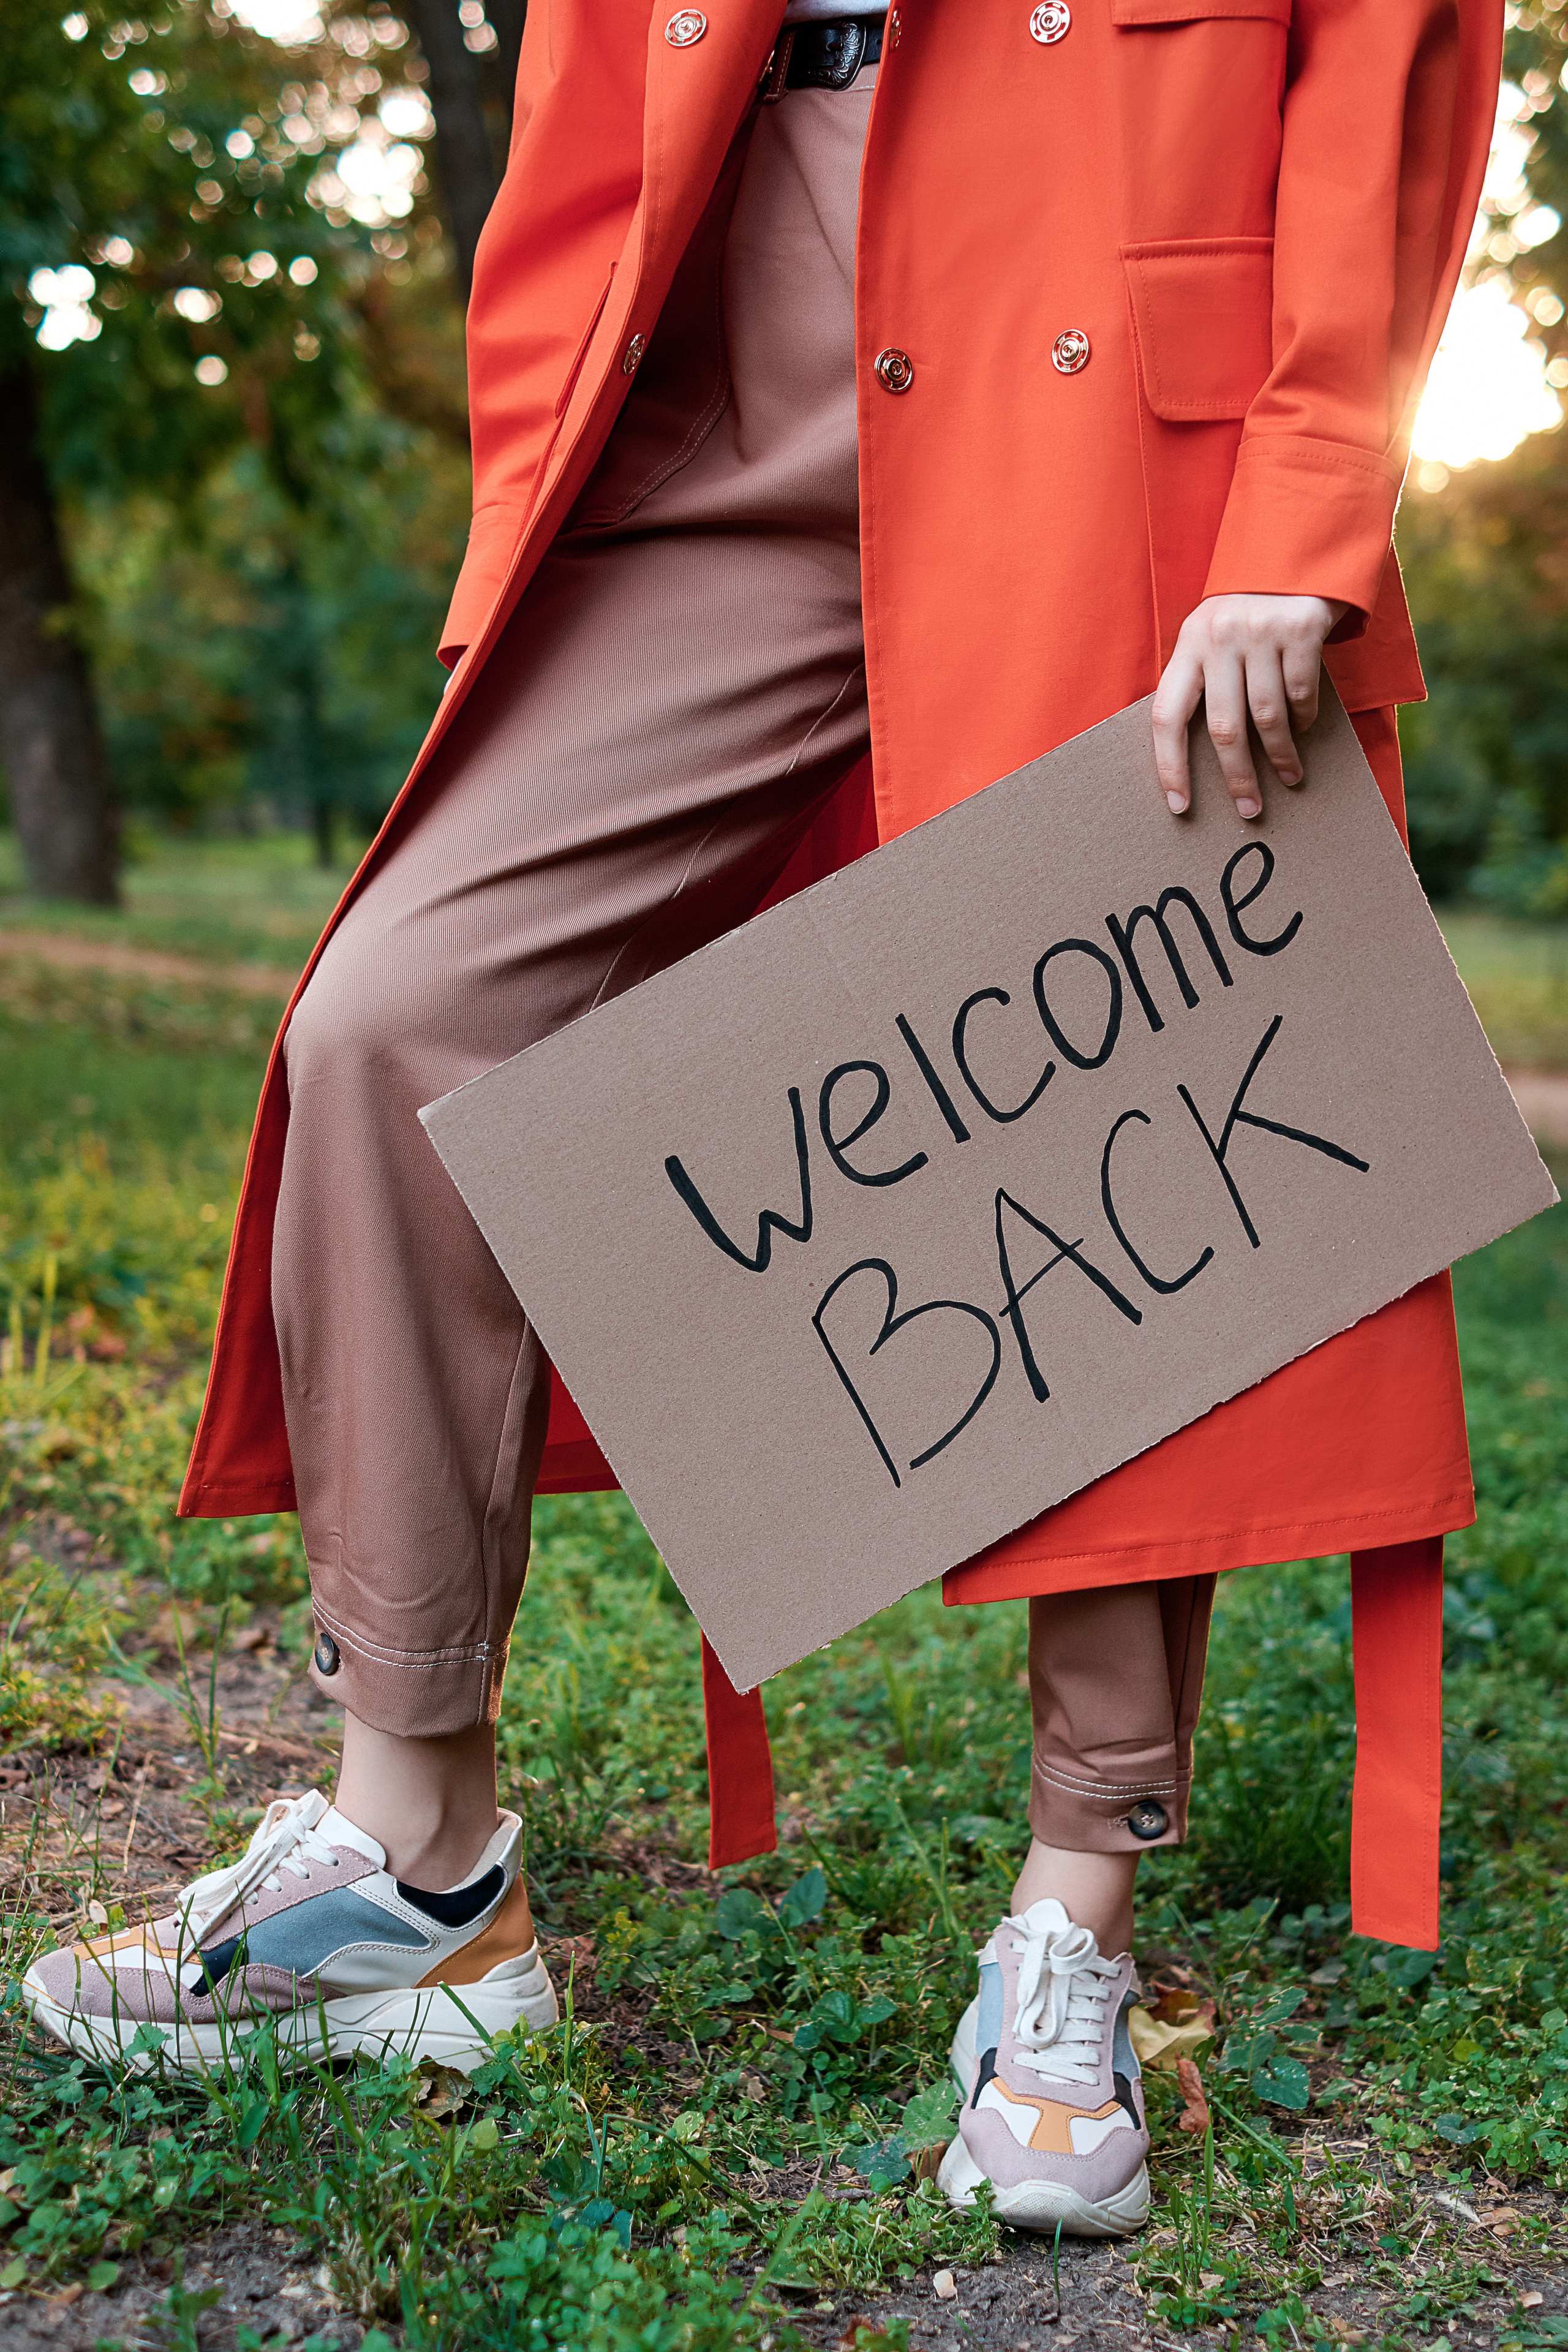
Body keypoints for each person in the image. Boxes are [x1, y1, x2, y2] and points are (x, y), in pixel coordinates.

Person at [23, 0, 1496, 2238]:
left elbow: (1393, 56)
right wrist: (556, 441)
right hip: (720, 389)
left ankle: (1078, 1920)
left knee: (1087, 1093)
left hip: (1114, 375)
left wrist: (1307, 504)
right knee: (392, 1016)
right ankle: (414, 1864)